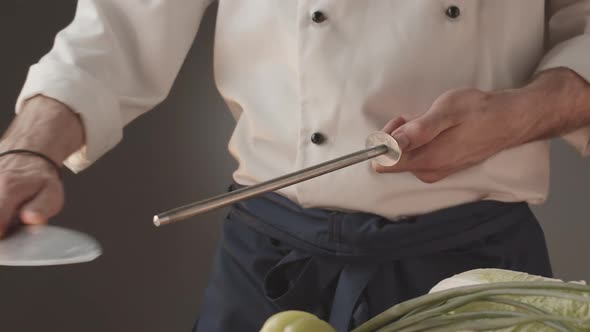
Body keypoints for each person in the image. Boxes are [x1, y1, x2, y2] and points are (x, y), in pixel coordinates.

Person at [1, 1, 590, 331]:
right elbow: (118, 25)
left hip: (473, 271)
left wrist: (516, 116)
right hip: (273, 266)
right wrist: (27, 151)